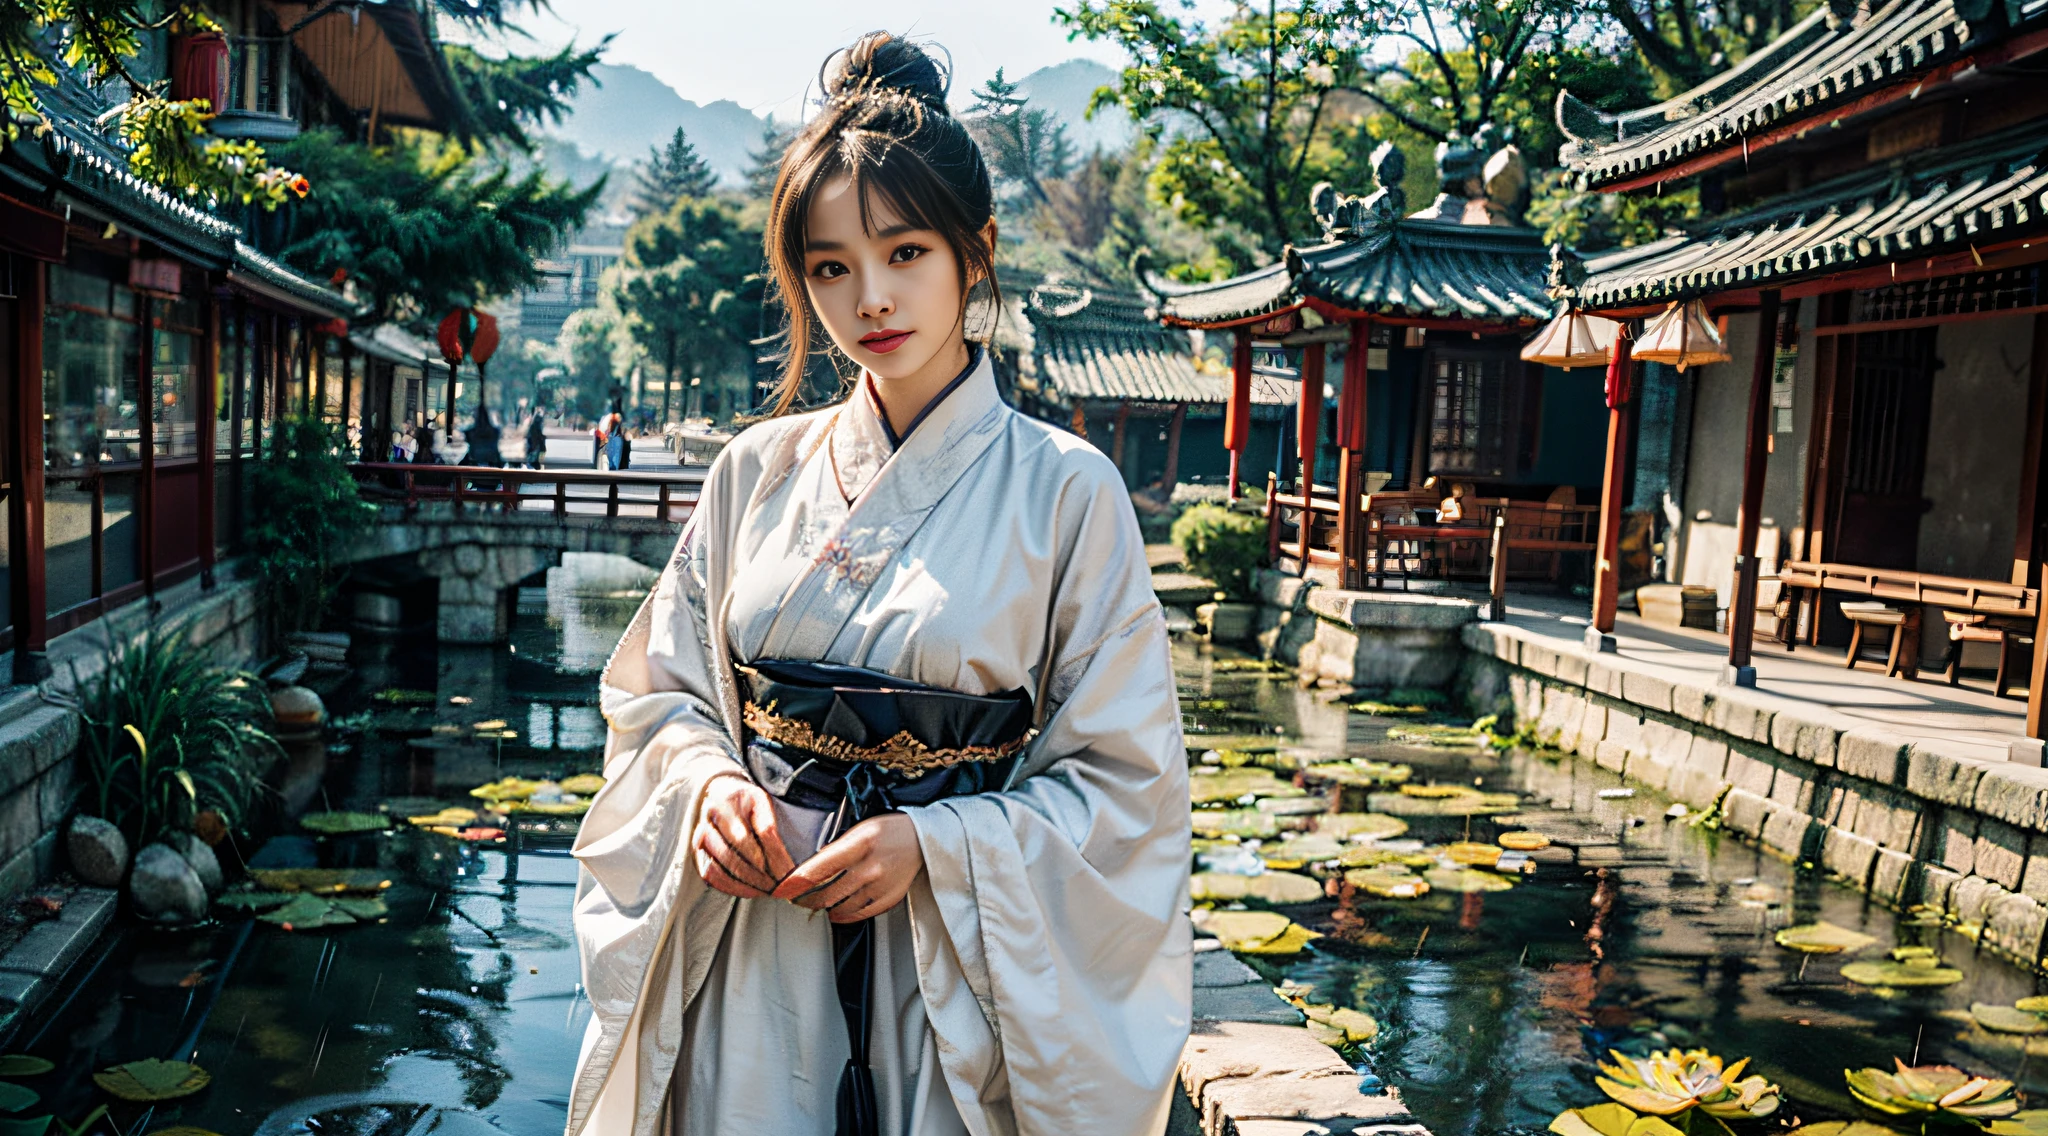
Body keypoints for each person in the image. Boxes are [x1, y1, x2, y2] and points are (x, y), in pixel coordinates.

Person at [568, 32, 1190, 1136]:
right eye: (831, 265)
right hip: (752, 942)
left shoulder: (1066, 491)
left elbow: (1124, 787)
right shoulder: (752, 472)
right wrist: (709, 789)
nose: (871, 299)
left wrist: (937, 847)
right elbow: (660, 695)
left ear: (975, 248)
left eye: (905, 252)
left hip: (948, 964)